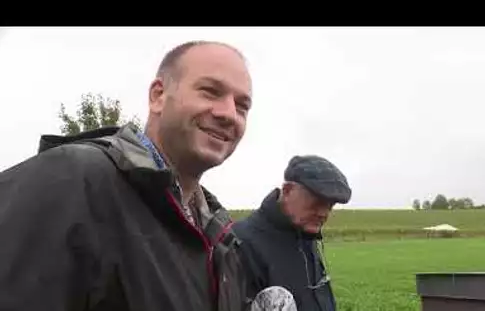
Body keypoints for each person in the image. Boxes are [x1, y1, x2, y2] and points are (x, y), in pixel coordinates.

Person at [0, 40, 256, 311]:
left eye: (242, 106)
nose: (229, 114)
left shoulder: (222, 242)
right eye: (210, 91)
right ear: (158, 96)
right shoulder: (71, 181)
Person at [233, 155, 352, 311]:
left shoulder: (305, 233)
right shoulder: (240, 242)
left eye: (330, 205)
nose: (324, 213)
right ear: (288, 190)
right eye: (317, 202)